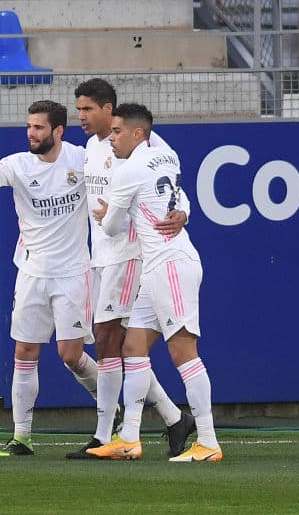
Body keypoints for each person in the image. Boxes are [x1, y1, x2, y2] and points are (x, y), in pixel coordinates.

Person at [0, 101, 100, 458]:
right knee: (24, 352)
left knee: (71, 356)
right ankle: (21, 437)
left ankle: (109, 403)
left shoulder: (82, 159)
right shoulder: (18, 165)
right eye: (29, 126)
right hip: (31, 273)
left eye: (39, 128)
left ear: (57, 131)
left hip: (74, 273)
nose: (31, 133)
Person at [66, 79, 196, 459]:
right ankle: (174, 418)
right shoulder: (91, 148)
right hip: (101, 255)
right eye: (78, 109)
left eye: (88, 109)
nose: (82, 117)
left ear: (109, 110)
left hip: (130, 254)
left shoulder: (149, 144)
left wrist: (183, 212)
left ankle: (106, 435)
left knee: (109, 338)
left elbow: (175, 185)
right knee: (121, 344)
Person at [87, 103, 222, 462]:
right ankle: (129, 436)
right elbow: (180, 199)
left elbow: (113, 227)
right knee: (133, 347)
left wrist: (104, 214)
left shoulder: (127, 170)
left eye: (117, 132)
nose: (111, 139)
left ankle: (208, 441)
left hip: (170, 265)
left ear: (136, 134)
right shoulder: (167, 155)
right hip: (160, 264)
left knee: (183, 352)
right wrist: (184, 213)